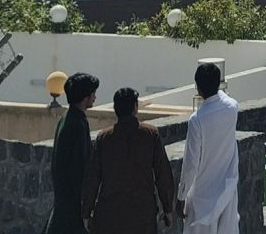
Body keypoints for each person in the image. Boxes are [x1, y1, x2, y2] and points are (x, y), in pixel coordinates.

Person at [82, 87, 175, 233]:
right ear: (135, 108)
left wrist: (86, 212)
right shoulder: (150, 135)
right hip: (142, 215)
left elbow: (93, 178)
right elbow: (162, 174)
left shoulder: (104, 138)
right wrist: (168, 208)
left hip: (110, 215)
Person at [177, 63, 240, 234]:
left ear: (197, 87)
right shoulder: (232, 108)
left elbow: (191, 164)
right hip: (227, 190)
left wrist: (181, 197)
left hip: (203, 196)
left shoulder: (197, 120)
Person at [43, 71, 99, 234]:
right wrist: (86, 207)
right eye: (93, 94)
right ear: (85, 97)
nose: (95, 98)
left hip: (64, 204)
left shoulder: (68, 119)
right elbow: (79, 168)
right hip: (72, 210)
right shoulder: (77, 125)